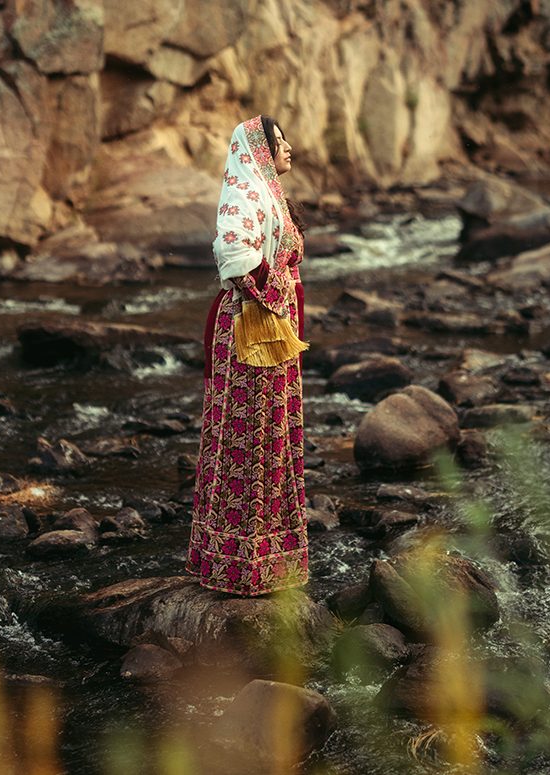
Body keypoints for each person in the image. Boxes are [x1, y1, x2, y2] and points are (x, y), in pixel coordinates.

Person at [185, 114, 309, 597]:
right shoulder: (245, 192)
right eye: (279, 141)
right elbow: (236, 256)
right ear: (258, 149)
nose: (289, 147)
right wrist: (279, 300)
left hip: (273, 329)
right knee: (247, 437)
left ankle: (268, 561)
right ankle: (238, 564)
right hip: (250, 328)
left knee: (274, 435)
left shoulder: (267, 193)